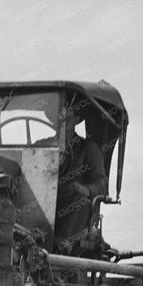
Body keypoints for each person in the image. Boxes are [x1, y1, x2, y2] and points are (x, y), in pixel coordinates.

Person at [53, 99, 109, 256]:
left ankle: (63, 248)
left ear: (77, 120)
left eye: (66, 119)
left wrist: (85, 189)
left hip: (71, 206)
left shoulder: (88, 148)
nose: (61, 122)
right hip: (44, 203)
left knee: (81, 201)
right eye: (58, 119)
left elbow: (101, 183)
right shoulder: (42, 146)